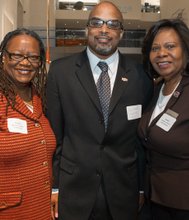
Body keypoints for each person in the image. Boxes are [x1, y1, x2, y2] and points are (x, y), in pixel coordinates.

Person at [46, 1, 153, 220]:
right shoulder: (60, 72)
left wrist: (141, 188)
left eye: (112, 24)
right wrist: (55, 187)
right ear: (87, 29)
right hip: (73, 190)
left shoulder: (140, 76)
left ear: (121, 33)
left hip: (124, 191)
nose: (104, 30)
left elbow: (141, 142)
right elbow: (54, 138)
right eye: (97, 23)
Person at [0, 28, 56, 220]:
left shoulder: (40, 98)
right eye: (16, 55)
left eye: (33, 57)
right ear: (4, 57)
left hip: (40, 209)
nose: (25, 63)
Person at [138, 18, 189, 220]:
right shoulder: (156, 89)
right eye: (155, 48)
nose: (161, 54)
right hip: (156, 201)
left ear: (185, 51)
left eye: (170, 46)